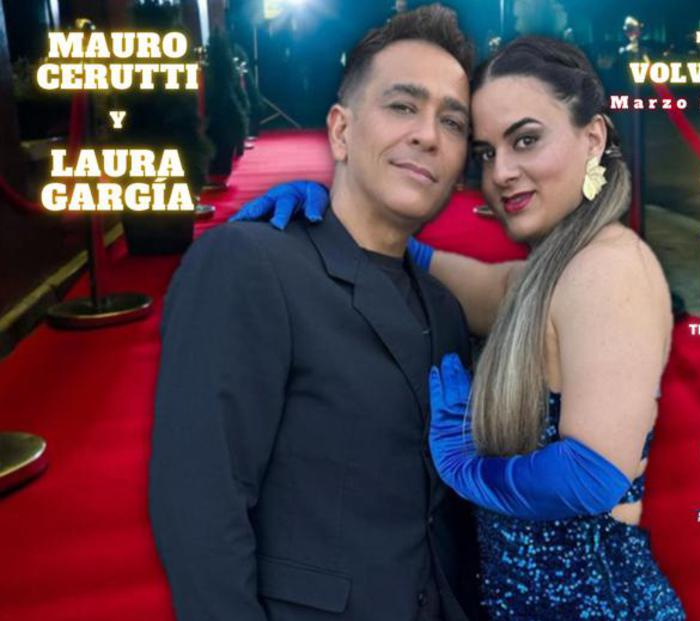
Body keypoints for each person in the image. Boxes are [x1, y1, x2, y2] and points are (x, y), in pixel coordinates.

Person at [238, 36, 685, 621]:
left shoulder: (609, 267)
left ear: (594, 138)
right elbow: (466, 279)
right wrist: (336, 214)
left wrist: (465, 467)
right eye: (485, 152)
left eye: (526, 140)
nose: (502, 173)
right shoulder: (558, 269)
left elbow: (591, 476)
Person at [148, 6, 483, 621]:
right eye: (402, 106)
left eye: (452, 121)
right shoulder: (250, 264)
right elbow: (200, 507)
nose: (428, 135)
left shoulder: (444, 308)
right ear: (340, 130)